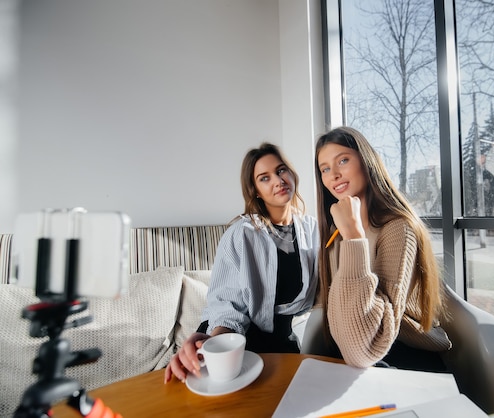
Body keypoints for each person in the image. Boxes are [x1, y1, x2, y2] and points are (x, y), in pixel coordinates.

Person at [165, 142, 319, 383]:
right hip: (240, 343)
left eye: (280, 170)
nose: (278, 181)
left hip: (286, 346)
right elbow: (226, 304)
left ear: (291, 173)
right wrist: (217, 343)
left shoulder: (313, 230)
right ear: (256, 190)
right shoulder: (242, 234)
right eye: (264, 178)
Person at [314, 126, 451, 372]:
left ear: (366, 163)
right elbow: (337, 305)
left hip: (400, 351)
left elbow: (364, 348)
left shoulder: (398, 228)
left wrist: (354, 238)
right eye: (324, 169)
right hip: (353, 348)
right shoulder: (336, 230)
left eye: (342, 160)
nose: (333, 174)